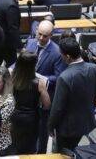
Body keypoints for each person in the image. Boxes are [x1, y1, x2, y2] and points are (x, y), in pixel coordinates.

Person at [48, 37, 96, 152]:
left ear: (67, 57)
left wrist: (51, 126)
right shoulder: (94, 68)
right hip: (86, 121)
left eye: (61, 54)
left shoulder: (64, 77)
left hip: (67, 128)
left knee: (64, 153)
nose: (60, 57)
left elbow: (57, 108)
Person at [25, 19, 67, 153]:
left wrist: (40, 78)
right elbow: (23, 62)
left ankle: (41, 153)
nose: (41, 38)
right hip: (28, 93)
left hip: (45, 96)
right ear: (36, 31)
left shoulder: (57, 52)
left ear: (51, 35)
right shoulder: (30, 43)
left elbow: (59, 76)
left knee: (43, 129)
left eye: (45, 35)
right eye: (40, 34)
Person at [10, 51, 51, 154]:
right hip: (32, 118)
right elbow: (47, 105)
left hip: (15, 115)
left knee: (15, 144)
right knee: (29, 148)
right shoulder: (39, 83)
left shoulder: (13, 78)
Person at [0, 0, 29, 68]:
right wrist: (20, 47)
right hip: (7, 42)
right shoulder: (11, 6)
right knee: (12, 65)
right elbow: (13, 29)